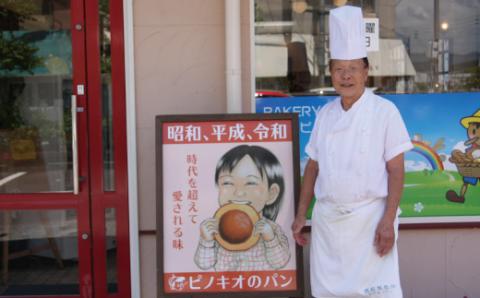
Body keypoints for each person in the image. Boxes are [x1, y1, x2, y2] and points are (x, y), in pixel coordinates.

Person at [291, 5, 413, 298]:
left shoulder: (385, 111)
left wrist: (388, 221)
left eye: (353, 69)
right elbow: (313, 167)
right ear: (331, 73)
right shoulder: (326, 115)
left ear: (366, 72)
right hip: (329, 224)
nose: (346, 76)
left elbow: (396, 170)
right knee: (327, 292)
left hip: (371, 222)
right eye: (339, 69)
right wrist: (300, 215)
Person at [194, 145, 290, 271]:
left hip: (261, 286)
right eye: (227, 183)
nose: (239, 193)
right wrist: (206, 240)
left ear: (271, 193)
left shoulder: (272, 229)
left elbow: (280, 263)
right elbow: (204, 264)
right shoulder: (216, 229)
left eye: (250, 183)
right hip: (226, 285)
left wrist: (270, 239)